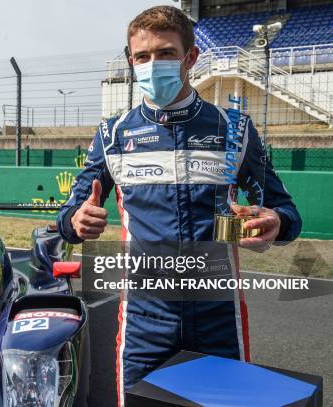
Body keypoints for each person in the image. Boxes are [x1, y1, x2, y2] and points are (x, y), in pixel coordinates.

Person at [56, 6, 302, 405]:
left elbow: (286, 212)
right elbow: (67, 215)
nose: (153, 64)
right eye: (142, 57)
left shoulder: (235, 129)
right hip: (143, 322)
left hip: (218, 318)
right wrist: (75, 221)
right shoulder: (112, 134)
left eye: (166, 53)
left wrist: (275, 220)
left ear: (190, 58)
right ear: (131, 61)